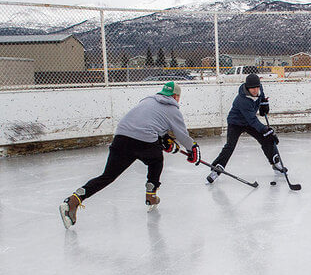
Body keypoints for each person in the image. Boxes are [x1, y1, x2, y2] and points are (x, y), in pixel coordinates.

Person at [59, 81, 201, 229]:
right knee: (156, 161)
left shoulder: (147, 100)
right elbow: (182, 135)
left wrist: (163, 138)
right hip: (144, 141)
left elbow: (149, 121)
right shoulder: (173, 109)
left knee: (108, 176)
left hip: (121, 138)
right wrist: (193, 149)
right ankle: (151, 195)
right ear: (176, 97)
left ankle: (73, 200)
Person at [207, 73, 286, 183]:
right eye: (252, 88)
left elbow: (261, 97)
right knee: (230, 145)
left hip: (249, 121)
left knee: (266, 138)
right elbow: (252, 120)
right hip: (236, 122)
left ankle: (275, 162)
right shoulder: (242, 100)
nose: (255, 90)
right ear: (247, 87)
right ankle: (217, 169)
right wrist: (265, 130)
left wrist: (264, 104)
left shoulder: (259, 89)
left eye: (257, 87)